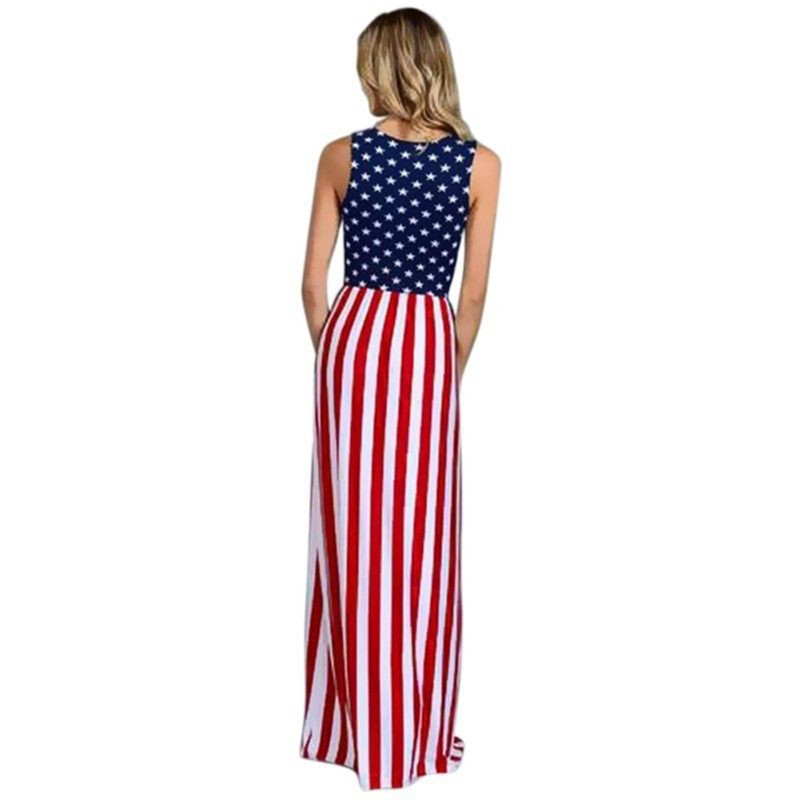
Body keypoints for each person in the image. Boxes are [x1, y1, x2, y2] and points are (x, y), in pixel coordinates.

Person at [299, 8, 501, 791]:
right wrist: (441, 371)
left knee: (352, 530)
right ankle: (411, 729)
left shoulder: (341, 155)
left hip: (353, 335)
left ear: (382, 68)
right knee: (420, 539)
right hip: (426, 343)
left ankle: (350, 729)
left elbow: (310, 284)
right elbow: (472, 297)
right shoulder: (481, 166)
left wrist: (340, 362)